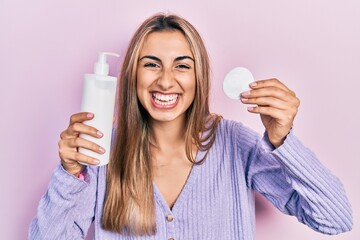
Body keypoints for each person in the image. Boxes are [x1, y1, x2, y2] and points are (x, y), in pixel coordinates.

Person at [29, 13, 353, 240]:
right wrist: (70, 174)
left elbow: (335, 219)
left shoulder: (235, 145)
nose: (166, 80)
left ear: (199, 77)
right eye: (151, 64)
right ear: (132, 76)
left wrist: (283, 141)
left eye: (182, 66)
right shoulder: (101, 155)